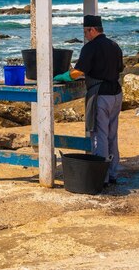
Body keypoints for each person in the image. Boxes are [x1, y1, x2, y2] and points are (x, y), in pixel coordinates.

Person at [53, 15, 124, 185]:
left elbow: (77, 73)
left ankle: (102, 177)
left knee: (99, 135)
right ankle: (113, 173)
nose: (85, 35)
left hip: (101, 96)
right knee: (112, 135)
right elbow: (120, 68)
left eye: (86, 31)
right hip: (116, 94)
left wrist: (60, 76)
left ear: (92, 29)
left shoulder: (90, 48)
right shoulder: (115, 46)